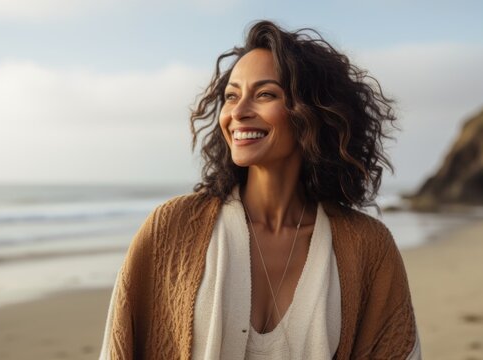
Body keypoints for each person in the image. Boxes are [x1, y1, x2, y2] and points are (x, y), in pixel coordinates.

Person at [100, 20, 421, 359]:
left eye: (265, 94)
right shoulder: (171, 229)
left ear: (313, 111)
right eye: (231, 96)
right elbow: (118, 348)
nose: (238, 112)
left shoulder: (369, 247)